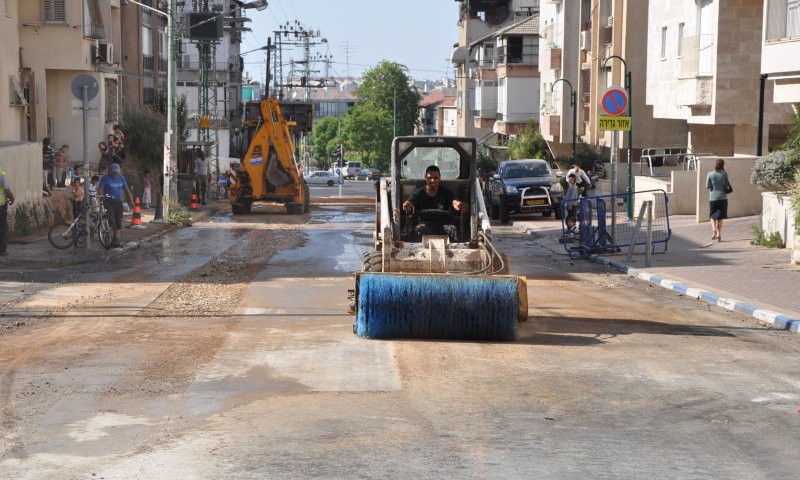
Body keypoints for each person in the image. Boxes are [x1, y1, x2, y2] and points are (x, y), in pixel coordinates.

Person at [402, 165, 467, 242]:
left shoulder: (447, 192)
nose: (433, 180)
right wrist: (407, 205)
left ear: (440, 177)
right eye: (430, 178)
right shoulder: (418, 192)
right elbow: (410, 202)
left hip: (445, 223)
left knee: (453, 230)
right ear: (425, 177)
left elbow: (454, 202)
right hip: (423, 223)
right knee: (418, 230)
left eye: (436, 178)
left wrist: (459, 205)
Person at [97, 163, 134, 248]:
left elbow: (126, 189)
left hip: (118, 202)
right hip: (108, 202)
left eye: (117, 172)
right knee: (111, 220)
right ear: (110, 171)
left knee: (118, 222)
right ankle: (109, 237)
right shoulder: (105, 178)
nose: (116, 174)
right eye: (114, 172)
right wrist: (101, 196)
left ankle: (116, 239)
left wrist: (131, 200)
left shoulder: (121, 178)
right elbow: (100, 188)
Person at [706, 158, 732, 242]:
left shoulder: (710, 174)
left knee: (712, 216)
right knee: (720, 218)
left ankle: (714, 229)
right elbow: (726, 185)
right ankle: (719, 234)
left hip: (713, 198)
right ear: (723, 165)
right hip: (723, 198)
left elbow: (707, 186)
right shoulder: (724, 174)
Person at [0, 166, 15, 256]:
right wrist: (12, 198)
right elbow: (7, 190)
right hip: (0, 206)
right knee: (2, 228)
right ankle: (2, 250)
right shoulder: (2, 175)